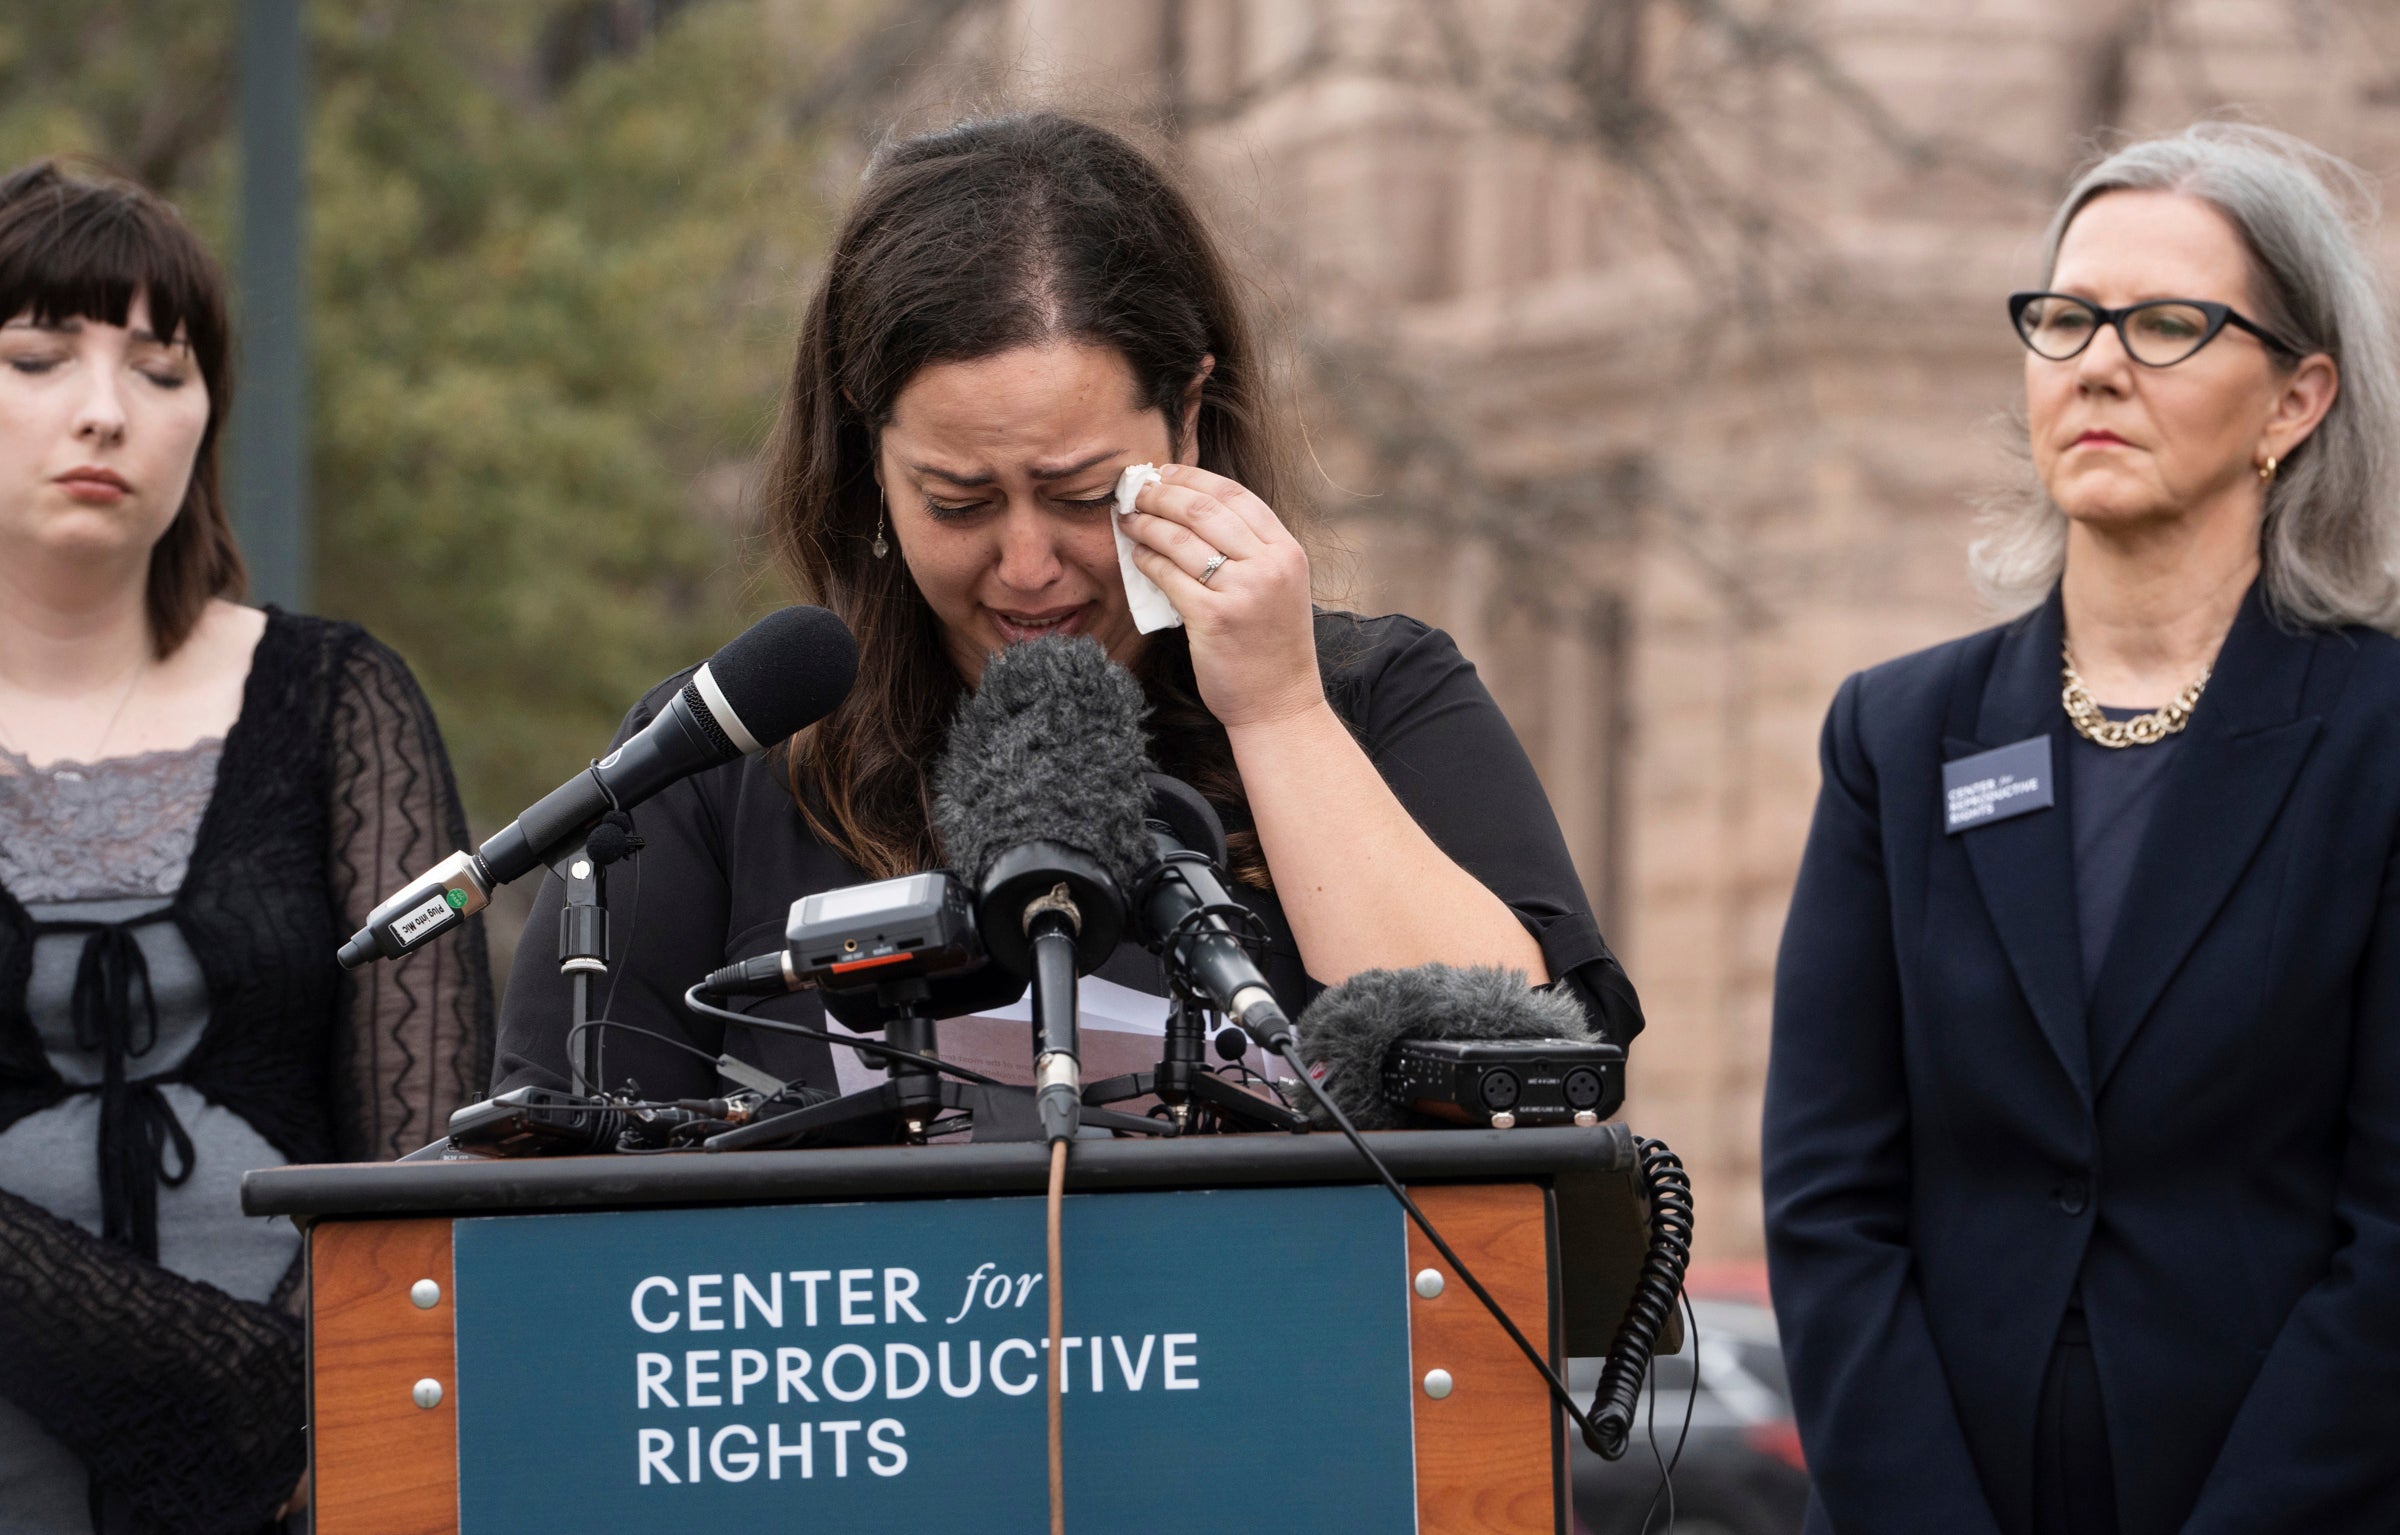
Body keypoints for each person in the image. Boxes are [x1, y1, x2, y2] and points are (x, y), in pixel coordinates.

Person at [493, 112, 1640, 1112]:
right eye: (961, 500)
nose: (1028, 564)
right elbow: (554, 1193)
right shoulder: (722, 767)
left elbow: (1523, 1076)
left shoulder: (1376, 700)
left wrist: (1280, 713)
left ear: (1188, 419)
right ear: (866, 458)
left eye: (1085, 495)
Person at [1764, 121, 2400, 1535]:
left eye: (2170, 324)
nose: (2099, 362)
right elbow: (1828, 1198)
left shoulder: (2377, 737)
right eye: (2066, 318)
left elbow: (2393, 1236)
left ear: (2296, 400)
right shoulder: (1898, 732)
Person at [0, 162, 492, 1533]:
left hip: (316, 1474)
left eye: (164, 370)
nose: (107, 408)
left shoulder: (343, 698)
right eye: (38, 356)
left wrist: (312, 1407)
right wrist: (228, 1386)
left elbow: (429, 1151)